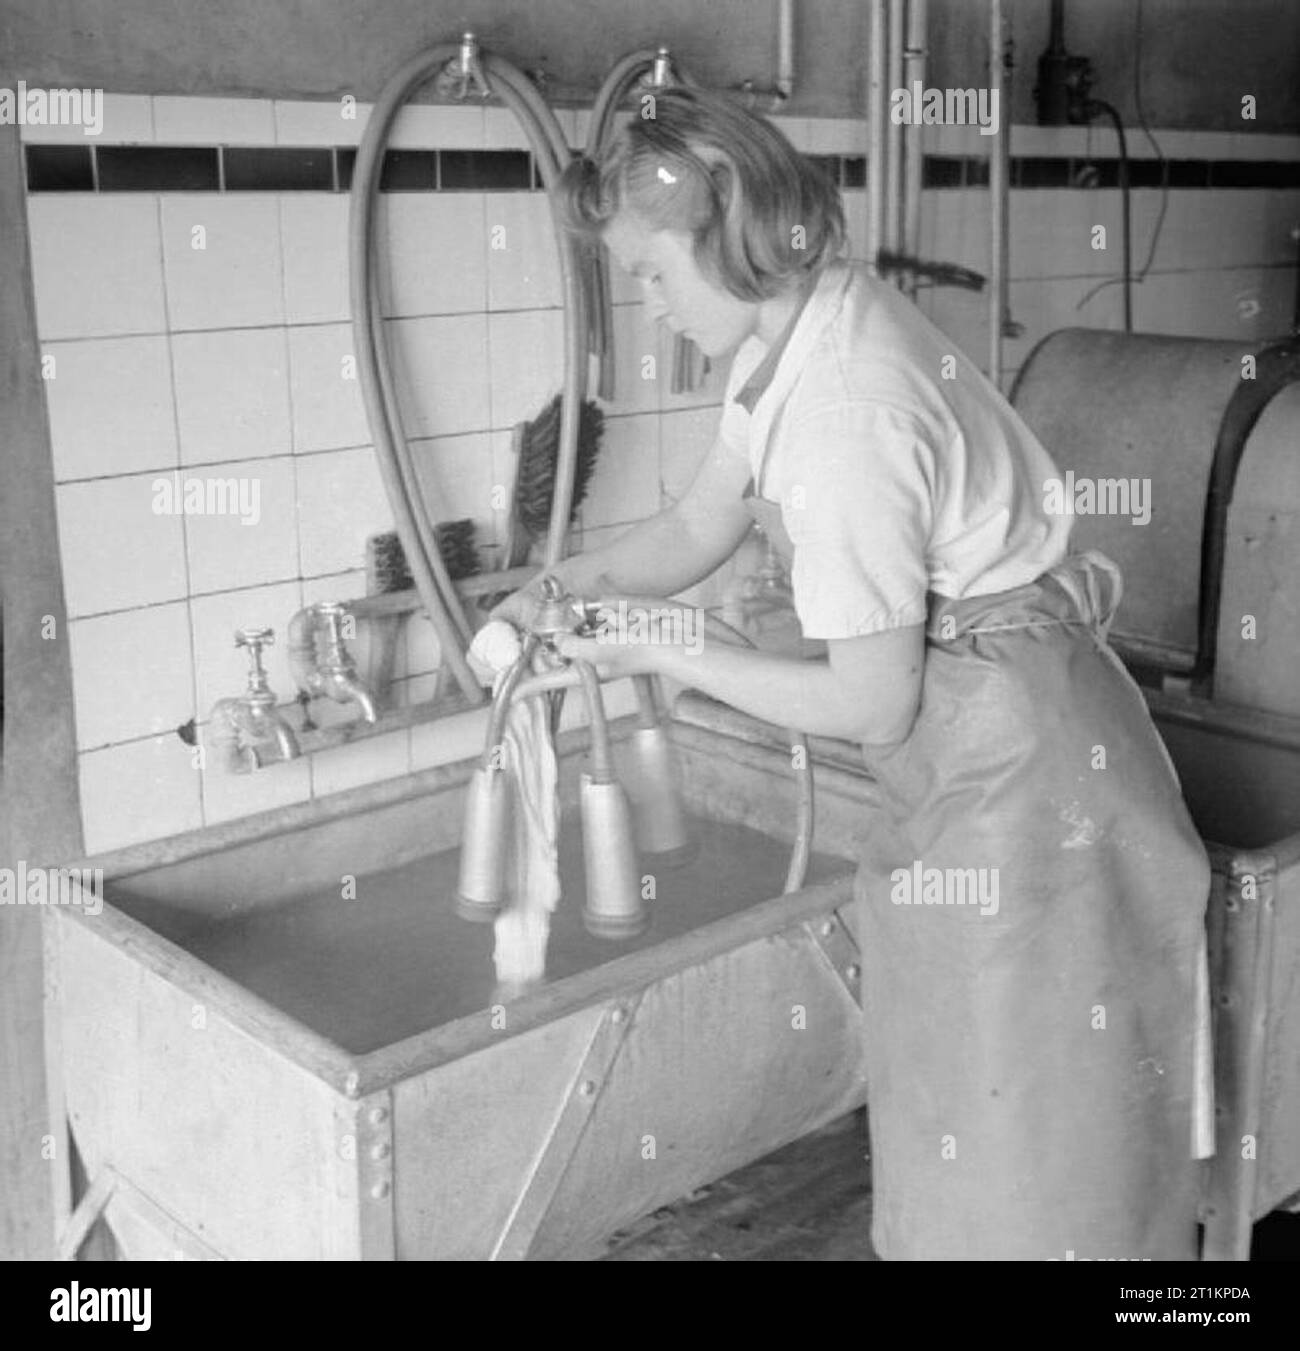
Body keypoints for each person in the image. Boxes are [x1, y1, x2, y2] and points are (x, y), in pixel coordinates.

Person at [495, 86, 1211, 1261]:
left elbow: (873, 698)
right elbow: (694, 525)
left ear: (727, 232)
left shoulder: (841, 407)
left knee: (1037, 1144)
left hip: (1024, 783)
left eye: (655, 274)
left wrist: (670, 648)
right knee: (969, 1117)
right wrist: (557, 593)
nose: (649, 301)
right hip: (980, 755)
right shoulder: (792, 330)